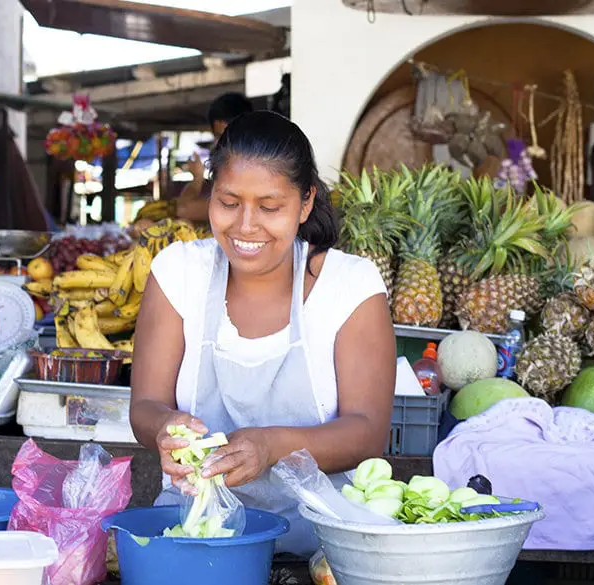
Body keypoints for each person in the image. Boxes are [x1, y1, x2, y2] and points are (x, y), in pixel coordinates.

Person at [129, 110, 396, 556]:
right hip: (196, 541)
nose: (246, 226)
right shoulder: (178, 273)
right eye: (228, 203)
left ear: (306, 202)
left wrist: (270, 446)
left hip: (319, 552)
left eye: (270, 208)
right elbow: (144, 406)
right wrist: (165, 426)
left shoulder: (350, 286)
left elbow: (368, 432)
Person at [174, 92, 255, 223]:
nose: (223, 143)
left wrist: (197, 179)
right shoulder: (227, 172)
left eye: (229, 136)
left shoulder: (254, 171)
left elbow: (183, 209)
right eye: (218, 137)